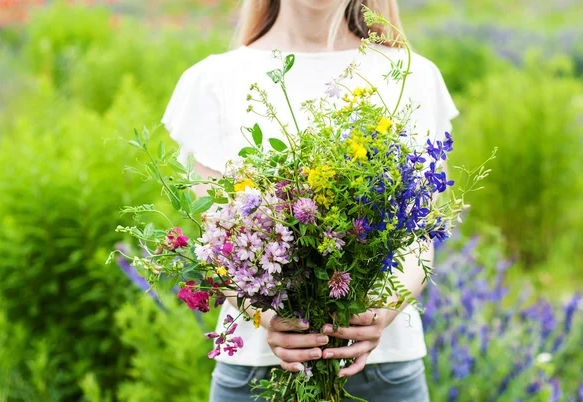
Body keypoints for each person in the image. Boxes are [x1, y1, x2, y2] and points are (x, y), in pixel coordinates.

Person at [162, 1, 459, 401]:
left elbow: (416, 238)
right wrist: (269, 317)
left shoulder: (411, 75)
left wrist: (379, 314)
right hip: (256, 373)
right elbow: (218, 243)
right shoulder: (213, 80)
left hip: (383, 372)